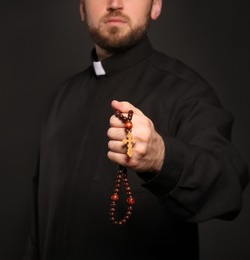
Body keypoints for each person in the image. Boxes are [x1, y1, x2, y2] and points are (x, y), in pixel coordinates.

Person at [23, 0, 249, 259]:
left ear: (155, 7)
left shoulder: (186, 92)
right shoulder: (62, 97)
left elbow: (228, 183)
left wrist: (162, 157)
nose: (115, 3)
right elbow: (39, 226)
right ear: (82, 8)